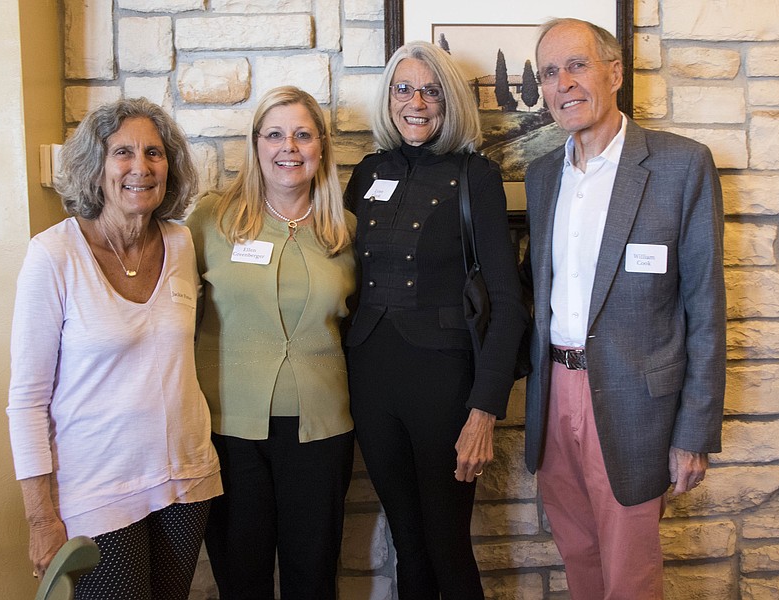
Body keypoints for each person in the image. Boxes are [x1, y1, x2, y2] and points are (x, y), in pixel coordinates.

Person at [520, 18, 726, 599]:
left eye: (576, 66)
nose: (563, 83)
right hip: (553, 393)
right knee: (579, 557)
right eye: (550, 73)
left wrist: (694, 431)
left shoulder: (680, 165)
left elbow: (706, 307)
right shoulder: (542, 177)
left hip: (637, 404)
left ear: (614, 73)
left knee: (630, 574)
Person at [7, 97, 222, 599]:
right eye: (122, 152)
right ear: (95, 167)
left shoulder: (181, 243)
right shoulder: (53, 255)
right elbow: (27, 402)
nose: (140, 167)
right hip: (96, 492)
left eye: (154, 153)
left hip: (186, 478)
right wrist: (40, 518)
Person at [344, 41, 525, 599]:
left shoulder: (476, 177)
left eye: (431, 91)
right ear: (389, 98)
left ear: (449, 102)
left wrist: (485, 410)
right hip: (371, 380)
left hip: (444, 385)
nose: (416, 102)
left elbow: (508, 302)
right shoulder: (367, 173)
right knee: (407, 541)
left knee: (447, 544)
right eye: (404, 89)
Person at [185, 86, 356, 600]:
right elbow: (174, 317)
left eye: (303, 135)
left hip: (320, 431)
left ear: (321, 146)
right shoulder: (211, 220)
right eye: (275, 134)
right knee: (242, 581)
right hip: (228, 429)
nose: (289, 147)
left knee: (313, 580)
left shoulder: (345, 230)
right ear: (255, 143)